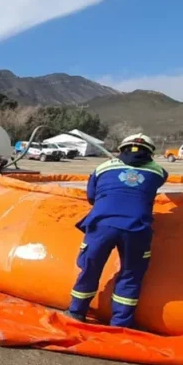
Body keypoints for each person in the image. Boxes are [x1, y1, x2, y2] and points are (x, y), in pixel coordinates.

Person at [65, 134, 168, 328]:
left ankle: (76, 312)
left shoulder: (102, 168)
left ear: (121, 149)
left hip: (102, 224)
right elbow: (159, 179)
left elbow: (91, 196)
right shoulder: (157, 172)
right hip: (137, 228)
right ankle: (120, 323)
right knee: (131, 274)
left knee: (90, 269)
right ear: (151, 153)